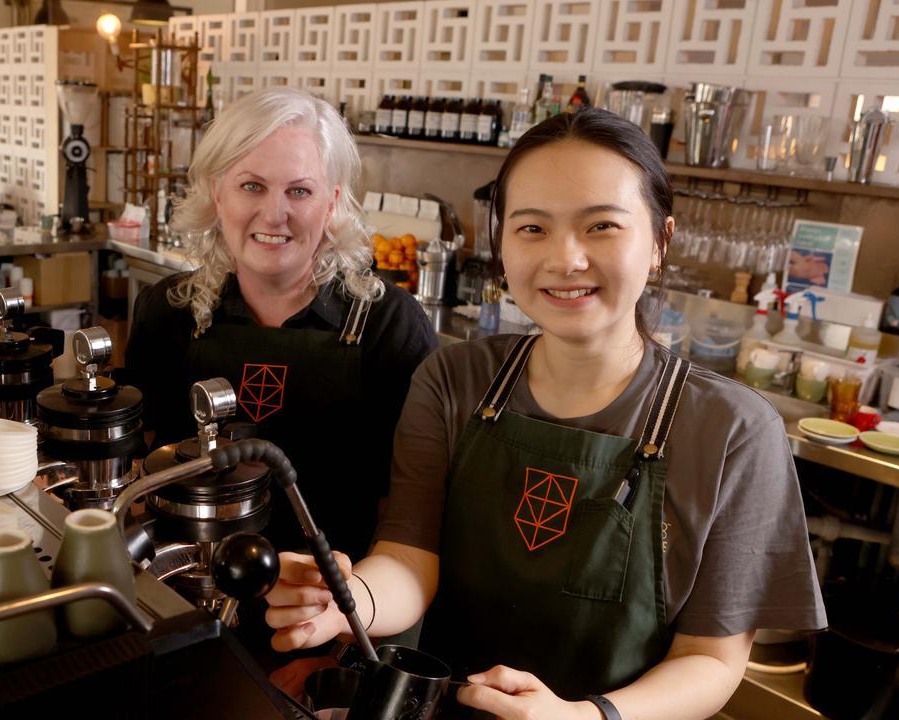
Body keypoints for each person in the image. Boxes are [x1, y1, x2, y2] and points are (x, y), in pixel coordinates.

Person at [264, 108, 826, 719]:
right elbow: (408, 555)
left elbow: (712, 659)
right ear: (503, 243)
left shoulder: (733, 431)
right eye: (532, 228)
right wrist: (349, 601)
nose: (565, 259)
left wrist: (585, 716)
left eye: (602, 227)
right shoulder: (454, 379)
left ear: (660, 242)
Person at [125, 87, 438, 564]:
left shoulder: (390, 327)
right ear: (218, 193)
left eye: (299, 190)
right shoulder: (167, 310)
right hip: (180, 589)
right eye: (252, 186)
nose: (275, 214)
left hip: (325, 603)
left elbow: (409, 516)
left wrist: (351, 598)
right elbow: (135, 469)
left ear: (331, 203)